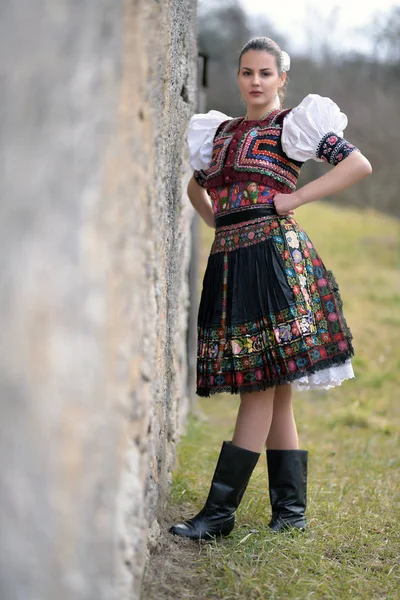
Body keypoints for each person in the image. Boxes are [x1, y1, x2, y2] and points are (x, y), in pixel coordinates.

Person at [169, 37, 372, 541]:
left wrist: (295, 198)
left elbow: (357, 165)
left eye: (265, 73)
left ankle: (218, 516)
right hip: (232, 262)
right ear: (238, 77)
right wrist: (219, 223)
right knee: (276, 396)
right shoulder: (218, 133)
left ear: (283, 79)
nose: (255, 81)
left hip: (276, 264)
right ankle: (291, 515)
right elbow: (196, 185)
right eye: (246, 72)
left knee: (257, 388)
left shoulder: (293, 127)